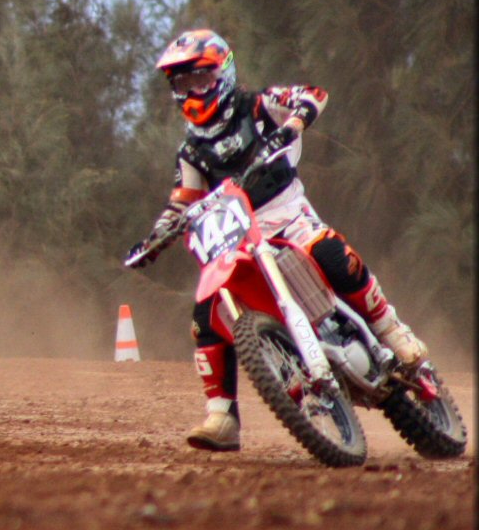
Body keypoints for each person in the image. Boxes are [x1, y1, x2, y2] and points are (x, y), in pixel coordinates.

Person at [126, 29, 427, 452]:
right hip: (236, 238)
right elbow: (182, 201)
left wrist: (291, 127)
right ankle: (222, 416)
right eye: (181, 84)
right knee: (204, 313)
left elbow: (314, 94)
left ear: (222, 73)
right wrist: (156, 236)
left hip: (288, 218)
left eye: (198, 80)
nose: (190, 92)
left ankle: (392, 332)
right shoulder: (191, 151)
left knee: (332, 254)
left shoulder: (257, 104)